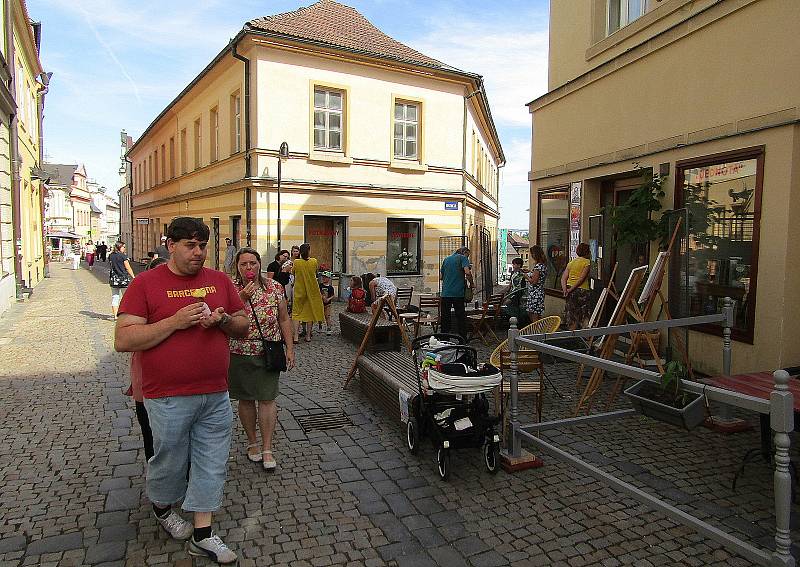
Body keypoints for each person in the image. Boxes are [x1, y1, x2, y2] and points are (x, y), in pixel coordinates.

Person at [114, 217, 249, 565]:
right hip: (167, 396)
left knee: (211, 461)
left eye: (202, 245)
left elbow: (243, 327)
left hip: (215, 392)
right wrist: (174, 322)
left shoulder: (219, 280)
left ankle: (203, 534)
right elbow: (124, 339)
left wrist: (221, 321)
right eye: (190, 245)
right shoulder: (145, 284)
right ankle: (162, 507)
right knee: (169, 461)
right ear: (170, 245)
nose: (198, 252)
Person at [229, 247, 295, 470]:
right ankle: (252, 443)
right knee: (246, 399)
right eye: (244, 264)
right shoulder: (230, 288)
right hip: (239, 351)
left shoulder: (274, 287)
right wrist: (241, 298)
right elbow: (224, 317)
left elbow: (284, 318)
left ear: (260, 264)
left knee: (267, 398)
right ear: (237, 267)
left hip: (269, 351)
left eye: (253, 263)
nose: (249, 268)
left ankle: (267, 447)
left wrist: (290, 347)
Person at [125, 256, 168, 464]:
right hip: (147, 380)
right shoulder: (142, 297)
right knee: (150, 430)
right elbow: (125, 339)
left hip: (177, 384)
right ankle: (156, 470)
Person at [291, 243, 324, 343]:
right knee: (310, 313)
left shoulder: (296, 262)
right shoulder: (314, 261)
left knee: (296, 313)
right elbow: (315, 272)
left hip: (299, 291)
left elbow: (293, 272)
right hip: (312, 290)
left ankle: (296, 336)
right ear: (309, 251)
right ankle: (308, 336)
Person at [440, 247, 474, 340]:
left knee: (445, 316)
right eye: (468, 255)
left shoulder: (446, 259)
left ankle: (444, 339)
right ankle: (462, 338)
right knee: (460, 316)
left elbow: (441, 277)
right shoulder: (463, 258)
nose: (468, 257)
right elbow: (467, 272)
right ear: (464, 252)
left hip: (446, 293)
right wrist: (472, 283)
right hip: (457, 293)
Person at [561, 242, 593, 330]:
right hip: (582, 291)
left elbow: (563, 278)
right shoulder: (587, 262)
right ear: (587, 252)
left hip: (569, 290)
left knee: (572, 313)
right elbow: (581, 279)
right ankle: (586, 336)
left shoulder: (571, 263)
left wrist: (565, 290)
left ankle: (572, 334)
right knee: (584, 313)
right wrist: (571, 289)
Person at [109, 241, 137, 320]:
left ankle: (115, 315)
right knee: (126, 297)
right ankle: (125, 314)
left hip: (114, 279)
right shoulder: (123, 256)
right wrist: (134, 277)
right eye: (123, 247)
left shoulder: (111, 255)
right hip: (123, 279)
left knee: (115, 297)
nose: (124, 248)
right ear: (119, 247)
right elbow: (128, 268)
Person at [526, 245, 548, 324]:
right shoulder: (543, 265)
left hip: (535, 293)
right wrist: (530, 272)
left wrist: (526, 276)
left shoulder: (538, 266)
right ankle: (538, 331)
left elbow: (534, 281)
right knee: (535, 314)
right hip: (538, 292)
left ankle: (536, 333)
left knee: (534, 315)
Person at [319, 271, 335, 335]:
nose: (324, 279)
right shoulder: (320, 285)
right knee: (320, 316)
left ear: (329, 278)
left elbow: (332, 295)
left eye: (325, 277)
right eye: (323, 277)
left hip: (328, 304)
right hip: (320, 303)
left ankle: (329, 328)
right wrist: (322, 296)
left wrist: (328, 299)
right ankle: (320, 326)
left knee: (327, 316)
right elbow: (318, 292)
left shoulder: (330, 287)